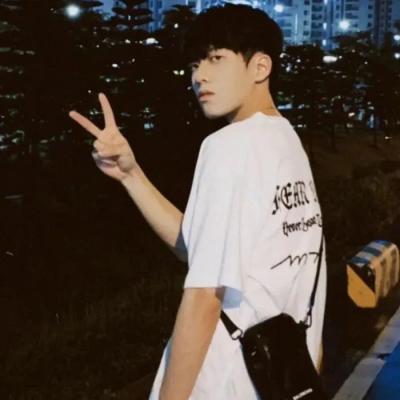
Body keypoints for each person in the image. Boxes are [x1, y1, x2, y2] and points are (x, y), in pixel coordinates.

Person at [69, 3, 327, 399]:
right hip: (280, 380)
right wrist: (130, 174)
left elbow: (204, 296)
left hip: (225, 382)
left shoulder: (228, 146)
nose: (199, 76)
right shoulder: (287, 141)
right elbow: (199, 250)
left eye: (216, 58)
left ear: (260, 67)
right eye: (194, 64)